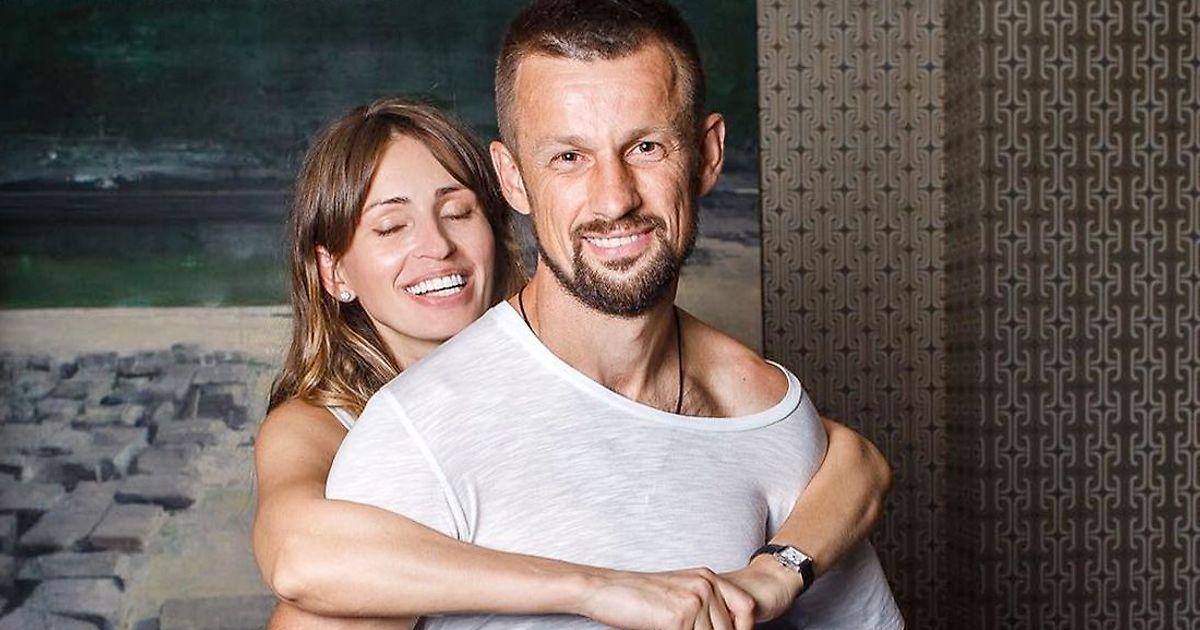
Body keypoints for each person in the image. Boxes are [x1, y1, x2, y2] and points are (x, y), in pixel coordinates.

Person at [322, 1, 902, 628]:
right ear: (513, 178)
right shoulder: (418, 431)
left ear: (707, 155)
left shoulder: (763, 412)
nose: (614, 198)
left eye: (646, 147)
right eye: (569, 157)